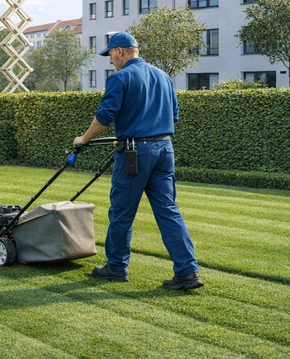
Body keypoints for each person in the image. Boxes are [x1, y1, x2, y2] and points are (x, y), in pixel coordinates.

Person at [73, 32, 203, 290]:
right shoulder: (164, 76)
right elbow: (174, 116)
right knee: (168, 211)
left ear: (120, 51)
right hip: (165, 150)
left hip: (135, 154)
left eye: (110, 54)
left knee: (122, 212)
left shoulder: (120, 78)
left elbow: (104, 117)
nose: (110, 60)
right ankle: (188, 273)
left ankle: (116, 268)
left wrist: (83, 140)